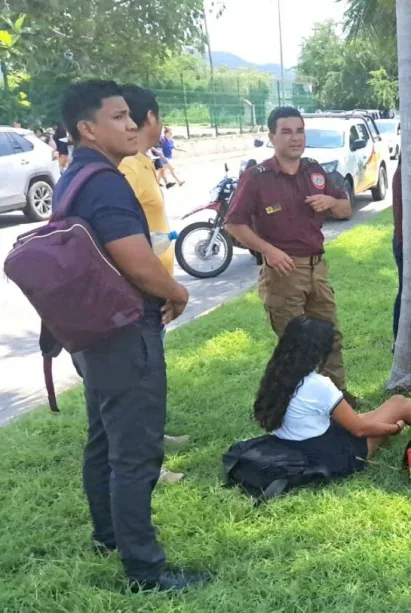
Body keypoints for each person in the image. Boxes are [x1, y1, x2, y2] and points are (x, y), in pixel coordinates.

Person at [58, 80, 208, 591]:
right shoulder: (104, 181)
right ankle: (146, 570)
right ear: (87, 127)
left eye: (131, 116)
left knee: (103, 439)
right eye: (119, 116)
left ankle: (107, 535)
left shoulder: (75, 176)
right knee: (135, 452)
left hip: (93, 333)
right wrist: (178, 293)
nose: (131, 124)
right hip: (124, 334)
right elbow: (136, 261)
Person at [225, 107, 356, 406]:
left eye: (299, 131)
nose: (295, 138)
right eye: (286, 131)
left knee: (330, 336)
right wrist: (268, 250)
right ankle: (298, 406)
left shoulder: (314, 171)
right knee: (294, 346)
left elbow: (345, 209)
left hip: (317, 268)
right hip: (283, 272)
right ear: (272, 137)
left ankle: (338, 399)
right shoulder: (257, 178)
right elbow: (233, 223)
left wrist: (330, 201)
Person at [255, 316, 411, 474]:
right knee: (398, 405)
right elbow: (359, 430)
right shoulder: (318, 385)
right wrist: (394, 427)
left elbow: (352, 421)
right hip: (332, 456)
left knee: (391, 405)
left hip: (298, 446)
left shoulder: (277, 375)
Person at [118, 85, 191, 483]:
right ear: (151, 119)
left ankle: (154, 439)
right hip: (140, 289)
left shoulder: (145, 161)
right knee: (140, 381)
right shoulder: (126, 167)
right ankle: (148, 464)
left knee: (152, 374)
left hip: (155, 287)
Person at [391, 160, 404, 345]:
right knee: (405, 292)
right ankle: (398, 339)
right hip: (404, 243)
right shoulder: (404, 175)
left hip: (404, 242)